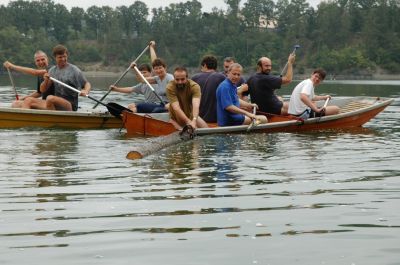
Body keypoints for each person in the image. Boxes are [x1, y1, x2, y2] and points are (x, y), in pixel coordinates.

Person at [41, 44, 90, 111]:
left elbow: (86, 84)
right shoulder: (52, 70)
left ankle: (55, 119)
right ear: (55, 57)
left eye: (64, 56)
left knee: (49, 98)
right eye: (60, 57)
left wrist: (86, 90)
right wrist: (45, 80)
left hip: (70, 105)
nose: (63, 59)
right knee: (29, 100)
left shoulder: (74, 70)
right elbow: (43, 90)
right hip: (56, 102)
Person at [132, 41, 173, 113]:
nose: (158, 70)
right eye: (156, 69)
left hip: (173, 105)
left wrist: (152, 47)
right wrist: (135, 69)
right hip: (162, 104)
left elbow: (178, 94)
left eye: (160, 68)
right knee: (140, 106)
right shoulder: (157, 78)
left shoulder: (170, 78)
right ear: (154, 70)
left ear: (165, 68)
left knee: (156, 111)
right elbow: (142, 80)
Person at [191, 55, 226, 123]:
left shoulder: (194, 78)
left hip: (198, 118)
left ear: (205, 65)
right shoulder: (221, 77)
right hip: (216, 119)